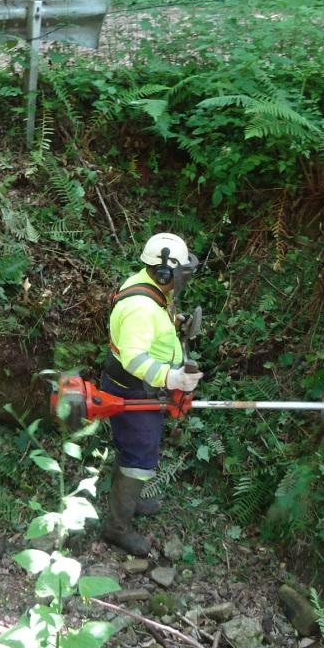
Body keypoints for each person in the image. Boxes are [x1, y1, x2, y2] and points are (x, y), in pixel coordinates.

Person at [99, 232, 203, 556]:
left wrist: (175, 321)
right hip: (134, 389)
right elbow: (134, 360)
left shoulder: (149, 288)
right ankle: (117, 527)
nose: (183, 279)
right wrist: (172, 377)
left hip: (141, 386)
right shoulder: (141, 308)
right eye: (180, 273)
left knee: (134, 448)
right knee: (139, 456)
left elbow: (150, 329)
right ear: (163, 272)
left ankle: (128, 499)